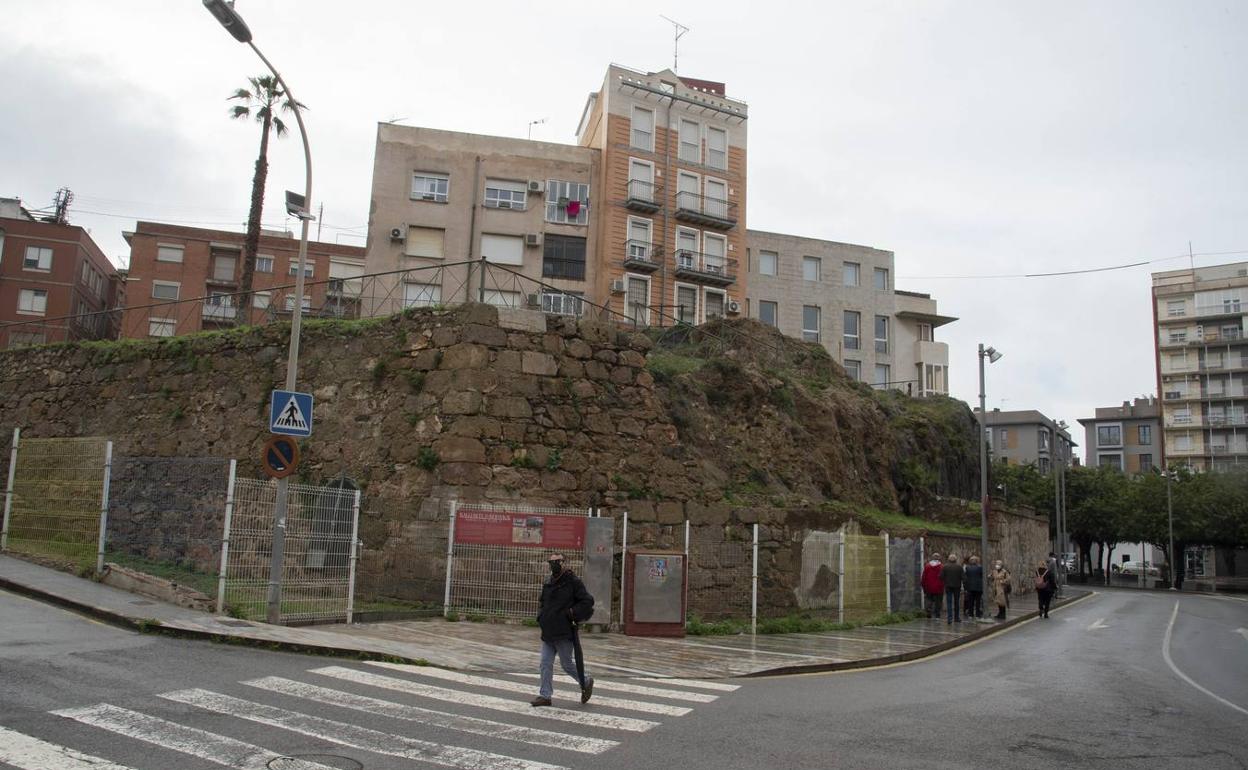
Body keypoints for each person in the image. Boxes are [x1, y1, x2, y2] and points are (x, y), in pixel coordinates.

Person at [530, 552, 595, 707]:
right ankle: (545, 695)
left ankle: (585, 681)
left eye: (557, 561)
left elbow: (587, 601)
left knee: (567, 664)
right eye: (551, 562)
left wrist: (571, 613)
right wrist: (541, 616)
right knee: (545, 663)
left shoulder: (573, 582)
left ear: (564, 562)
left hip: (564, 632)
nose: (554, 565)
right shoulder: (548, 581)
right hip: (548, 631)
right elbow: (543, 602)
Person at [941, 553, 964, 624]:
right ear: (956, 559)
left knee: (949, 602)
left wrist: (945, 580)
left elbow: (941, 576)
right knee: (956, 602)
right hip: (957, 586)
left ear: (948, 559)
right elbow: (963, 577)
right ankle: (956, 618)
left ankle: (949, 618)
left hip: (948, 586)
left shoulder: (945, 567)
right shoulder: (959, 567)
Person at [921, 553, 944, 619]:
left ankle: (928, 610)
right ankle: (937, 615)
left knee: (929, 599)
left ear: (932, 558)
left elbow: (924, 576)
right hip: (939, 587)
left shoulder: (927, 566)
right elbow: (943, 577)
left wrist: (923, 585)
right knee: (938, 601)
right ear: (939, 558)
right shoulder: (941, 567)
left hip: (929, 586)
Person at [964, 555, 984, 620]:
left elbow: (966, 578)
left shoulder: (967, 568)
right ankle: (977, 614)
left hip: (970, 587)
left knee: (971, 602)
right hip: (978, 587)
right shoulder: (980, 567)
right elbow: (982, 576)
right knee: (978, 602)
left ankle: (971, 614)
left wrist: (965, 587)